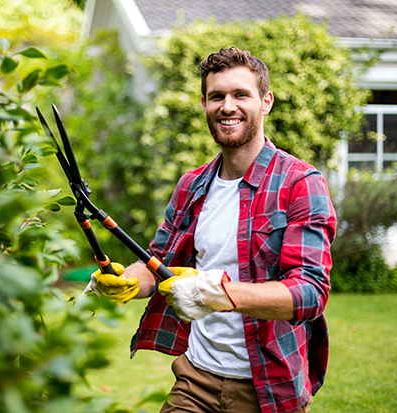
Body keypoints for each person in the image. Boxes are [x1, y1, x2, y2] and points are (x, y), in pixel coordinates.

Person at [84, 46, 336, 413]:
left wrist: (219, 294)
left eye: (240, 95)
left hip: (267, 385)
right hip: (196, 377)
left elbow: (310, 293)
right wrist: (127, 281)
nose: (227, 106)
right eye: (217, 96)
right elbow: (157, 263)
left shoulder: (300, 183)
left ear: (265, 102)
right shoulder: (192, 184)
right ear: (203, 103)